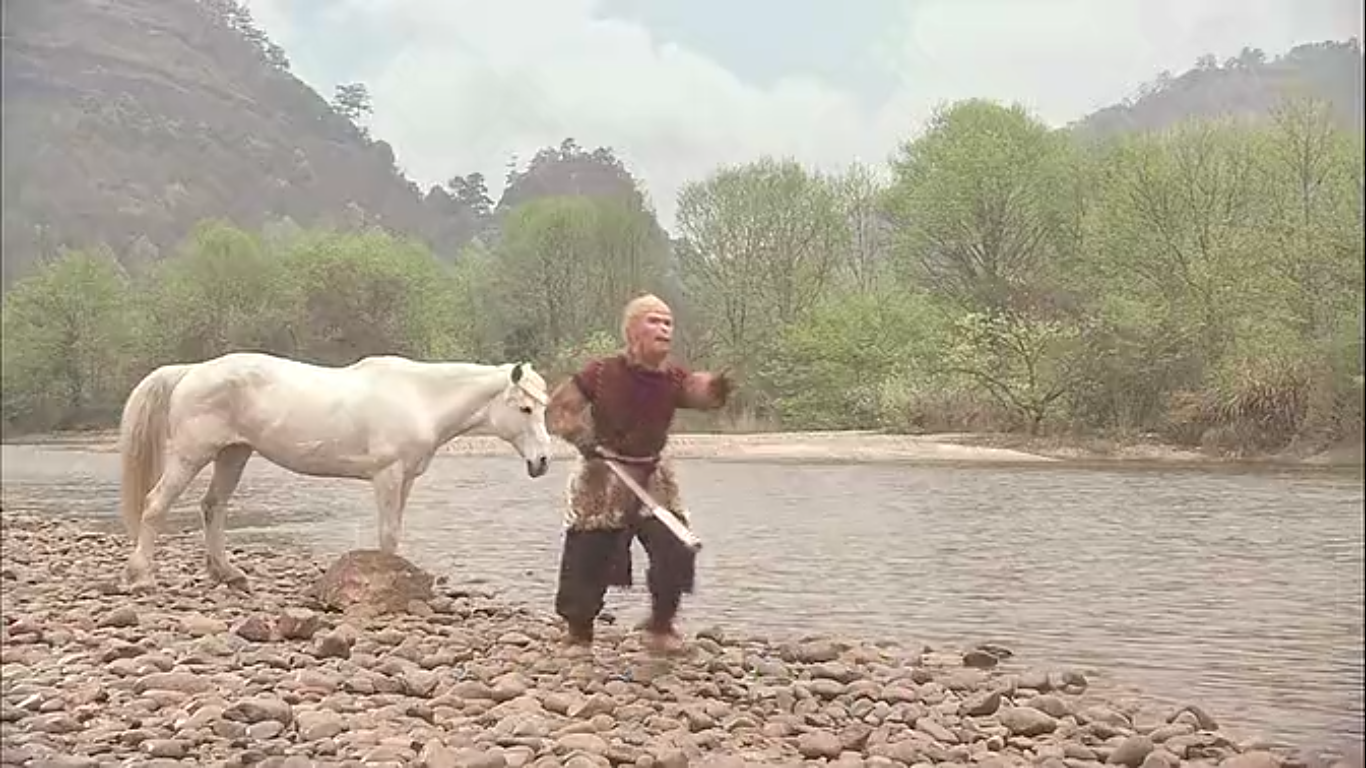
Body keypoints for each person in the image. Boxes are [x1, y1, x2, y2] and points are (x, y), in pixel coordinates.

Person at [545, 292, 732, 653]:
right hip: (603, 470)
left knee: (675, 547)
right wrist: (578, 435)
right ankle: (578, 632)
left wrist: (717, 387)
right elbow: (559, 410)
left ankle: (661, 626)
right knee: (588, 553)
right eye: (654, 321)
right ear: (632, 331)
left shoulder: (673, 378)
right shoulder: (600, 373)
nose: (664, 328)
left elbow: (700, 393)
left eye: (668, 323)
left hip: (652, 473)